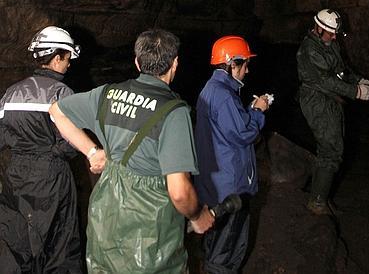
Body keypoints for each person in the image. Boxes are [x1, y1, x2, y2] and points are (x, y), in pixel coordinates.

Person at [49, 28, 214, 274]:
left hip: (105, 217)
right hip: (149, 233)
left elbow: (56, 111)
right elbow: (179, 192)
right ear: (175, 64)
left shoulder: (107, 94)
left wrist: (93, 151)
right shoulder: (175, 113)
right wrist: (197, 215)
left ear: (137, 62)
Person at [0, 25, 100, 274]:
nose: (68, 65)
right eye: (66, 59)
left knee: (16, 243)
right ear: (57, 58)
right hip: (51, 176)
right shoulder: (61, 93)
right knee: (59, 246)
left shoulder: (11, 94)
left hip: (15, 175)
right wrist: (55, 153)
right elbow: (70, 141)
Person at [194, 35, 272, 274]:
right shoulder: (224, 95)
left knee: (215, 239)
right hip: (230, 186)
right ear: (232, 64)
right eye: (245, 64)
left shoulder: (214, 89)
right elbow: (242, 134)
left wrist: (247, 111)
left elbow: (228, 126)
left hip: (214, 181)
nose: (247, 70)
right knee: (226, 249)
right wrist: (258, 112)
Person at [296, 9, 369, 216]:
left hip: (330, 99)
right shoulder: (309, 49)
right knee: (330, 149)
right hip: (316, 99)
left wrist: (357, 80)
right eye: (330, 32)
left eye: (335, 33)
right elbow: (323, 80)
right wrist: (355, 91)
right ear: (318, 28)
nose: (334, 36)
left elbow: (340, 71)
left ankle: (320, 195)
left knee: (335, 147)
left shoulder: (331, 44)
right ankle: (317, 202)